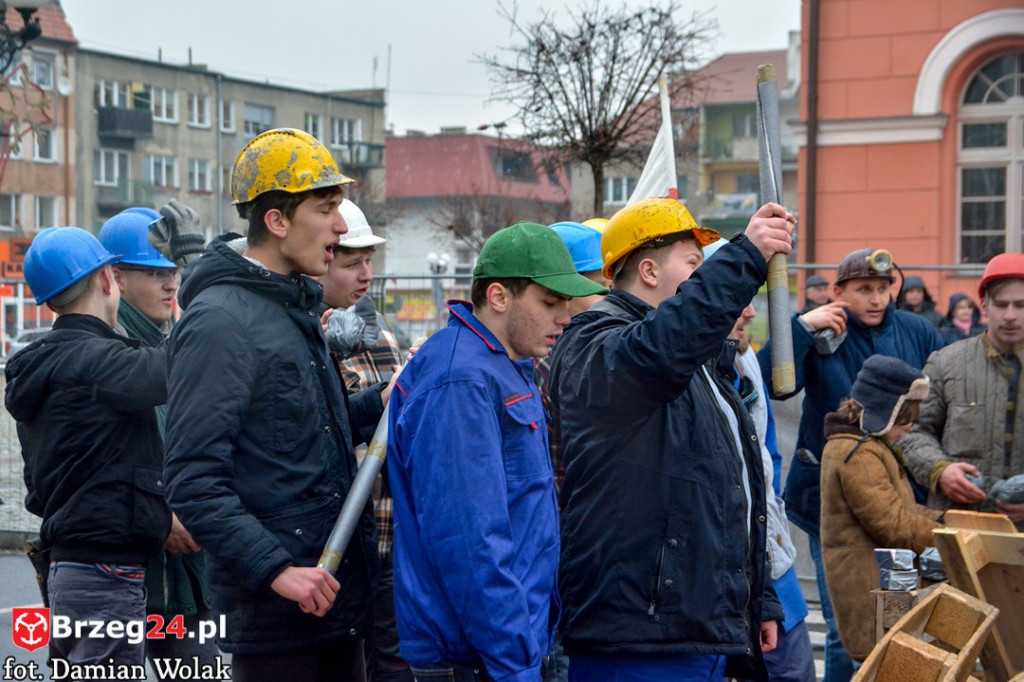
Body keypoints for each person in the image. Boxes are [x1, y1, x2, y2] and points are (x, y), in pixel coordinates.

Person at [162, 128, 383, 682]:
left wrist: (386, 401)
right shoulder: (220, 322)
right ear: (278, 221)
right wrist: (278, 569)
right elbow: (193, 478)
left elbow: (305, 437)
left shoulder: (293, 308)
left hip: (331, 604)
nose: (340, 226)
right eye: (326, 209)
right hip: (277, 620)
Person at [549, 198, 792, 681]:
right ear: (648, 270)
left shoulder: (696, 364)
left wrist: (755, 599)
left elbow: (727, 494)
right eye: (694, 263)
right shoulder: (595, 344)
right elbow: (661, 348)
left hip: (694, 626)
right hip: (636, 635)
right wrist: (745, 257)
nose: (702, 276)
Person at [388, 221, 608, 682]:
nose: (565, 318)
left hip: (500, 648)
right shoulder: (462, 379)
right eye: (550, 302)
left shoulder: (500, 365)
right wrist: (515, 663)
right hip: (479, 658)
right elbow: (468, 541)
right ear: (499, 297)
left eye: (566, 303)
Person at [759, 246, 945, 682]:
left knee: (901, 625)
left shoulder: (917, 330)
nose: (876, 299)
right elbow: (770, 381)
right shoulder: (822, 329)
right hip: (829, 506)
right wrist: (801, 329)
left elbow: (941, 395)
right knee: (845, 629)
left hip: (898, 501)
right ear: (839, 291)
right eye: (864, 289)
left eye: (883, 288)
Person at [6, 227, 170, 672]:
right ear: (105, 279)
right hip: (105, 573)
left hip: (68, 570)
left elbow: (37, 488)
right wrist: (200, 268)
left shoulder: (43, 367)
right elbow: (181, 366)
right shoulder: (97, 362)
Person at [98, 207, 218, 678]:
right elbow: (93, 469)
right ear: (116, 278)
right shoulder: (107, 352)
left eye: (173, 271)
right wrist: (159, 517)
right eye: (154, 273)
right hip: (122, 570)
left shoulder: (170, 340)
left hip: (183, 575)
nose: (170, 284)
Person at [703, 240, 816, 682]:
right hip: (719, 575)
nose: (751, 312)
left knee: (793, 670)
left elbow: (767, 459)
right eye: (739, 299)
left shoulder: (745, 359)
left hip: (771, 564)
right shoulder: (685, 373)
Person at [319, 198, 411, 682]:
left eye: (369, 261)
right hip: (340, 545)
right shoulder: (305, 338)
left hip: (392, 533)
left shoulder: (381, 334)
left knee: (395, 664)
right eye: (352, 263)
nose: (366, 274)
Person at [820, 355, 943, 662]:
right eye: (904, 419)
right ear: (883, 411)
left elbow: (902, 507)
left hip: (881, 586)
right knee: (879, 668)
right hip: (870, 591)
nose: (910, 427)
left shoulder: (868, 447)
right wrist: (948, 538)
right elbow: (892, 524)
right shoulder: (858, 454)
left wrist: (946, 519)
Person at [903, 253, 1024, 529]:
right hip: (959, 527)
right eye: (1001, 304)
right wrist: (940, 470)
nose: (1010, 315)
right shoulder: (946, 363)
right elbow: (911, 431)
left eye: (1021, 305)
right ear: (984, 305)